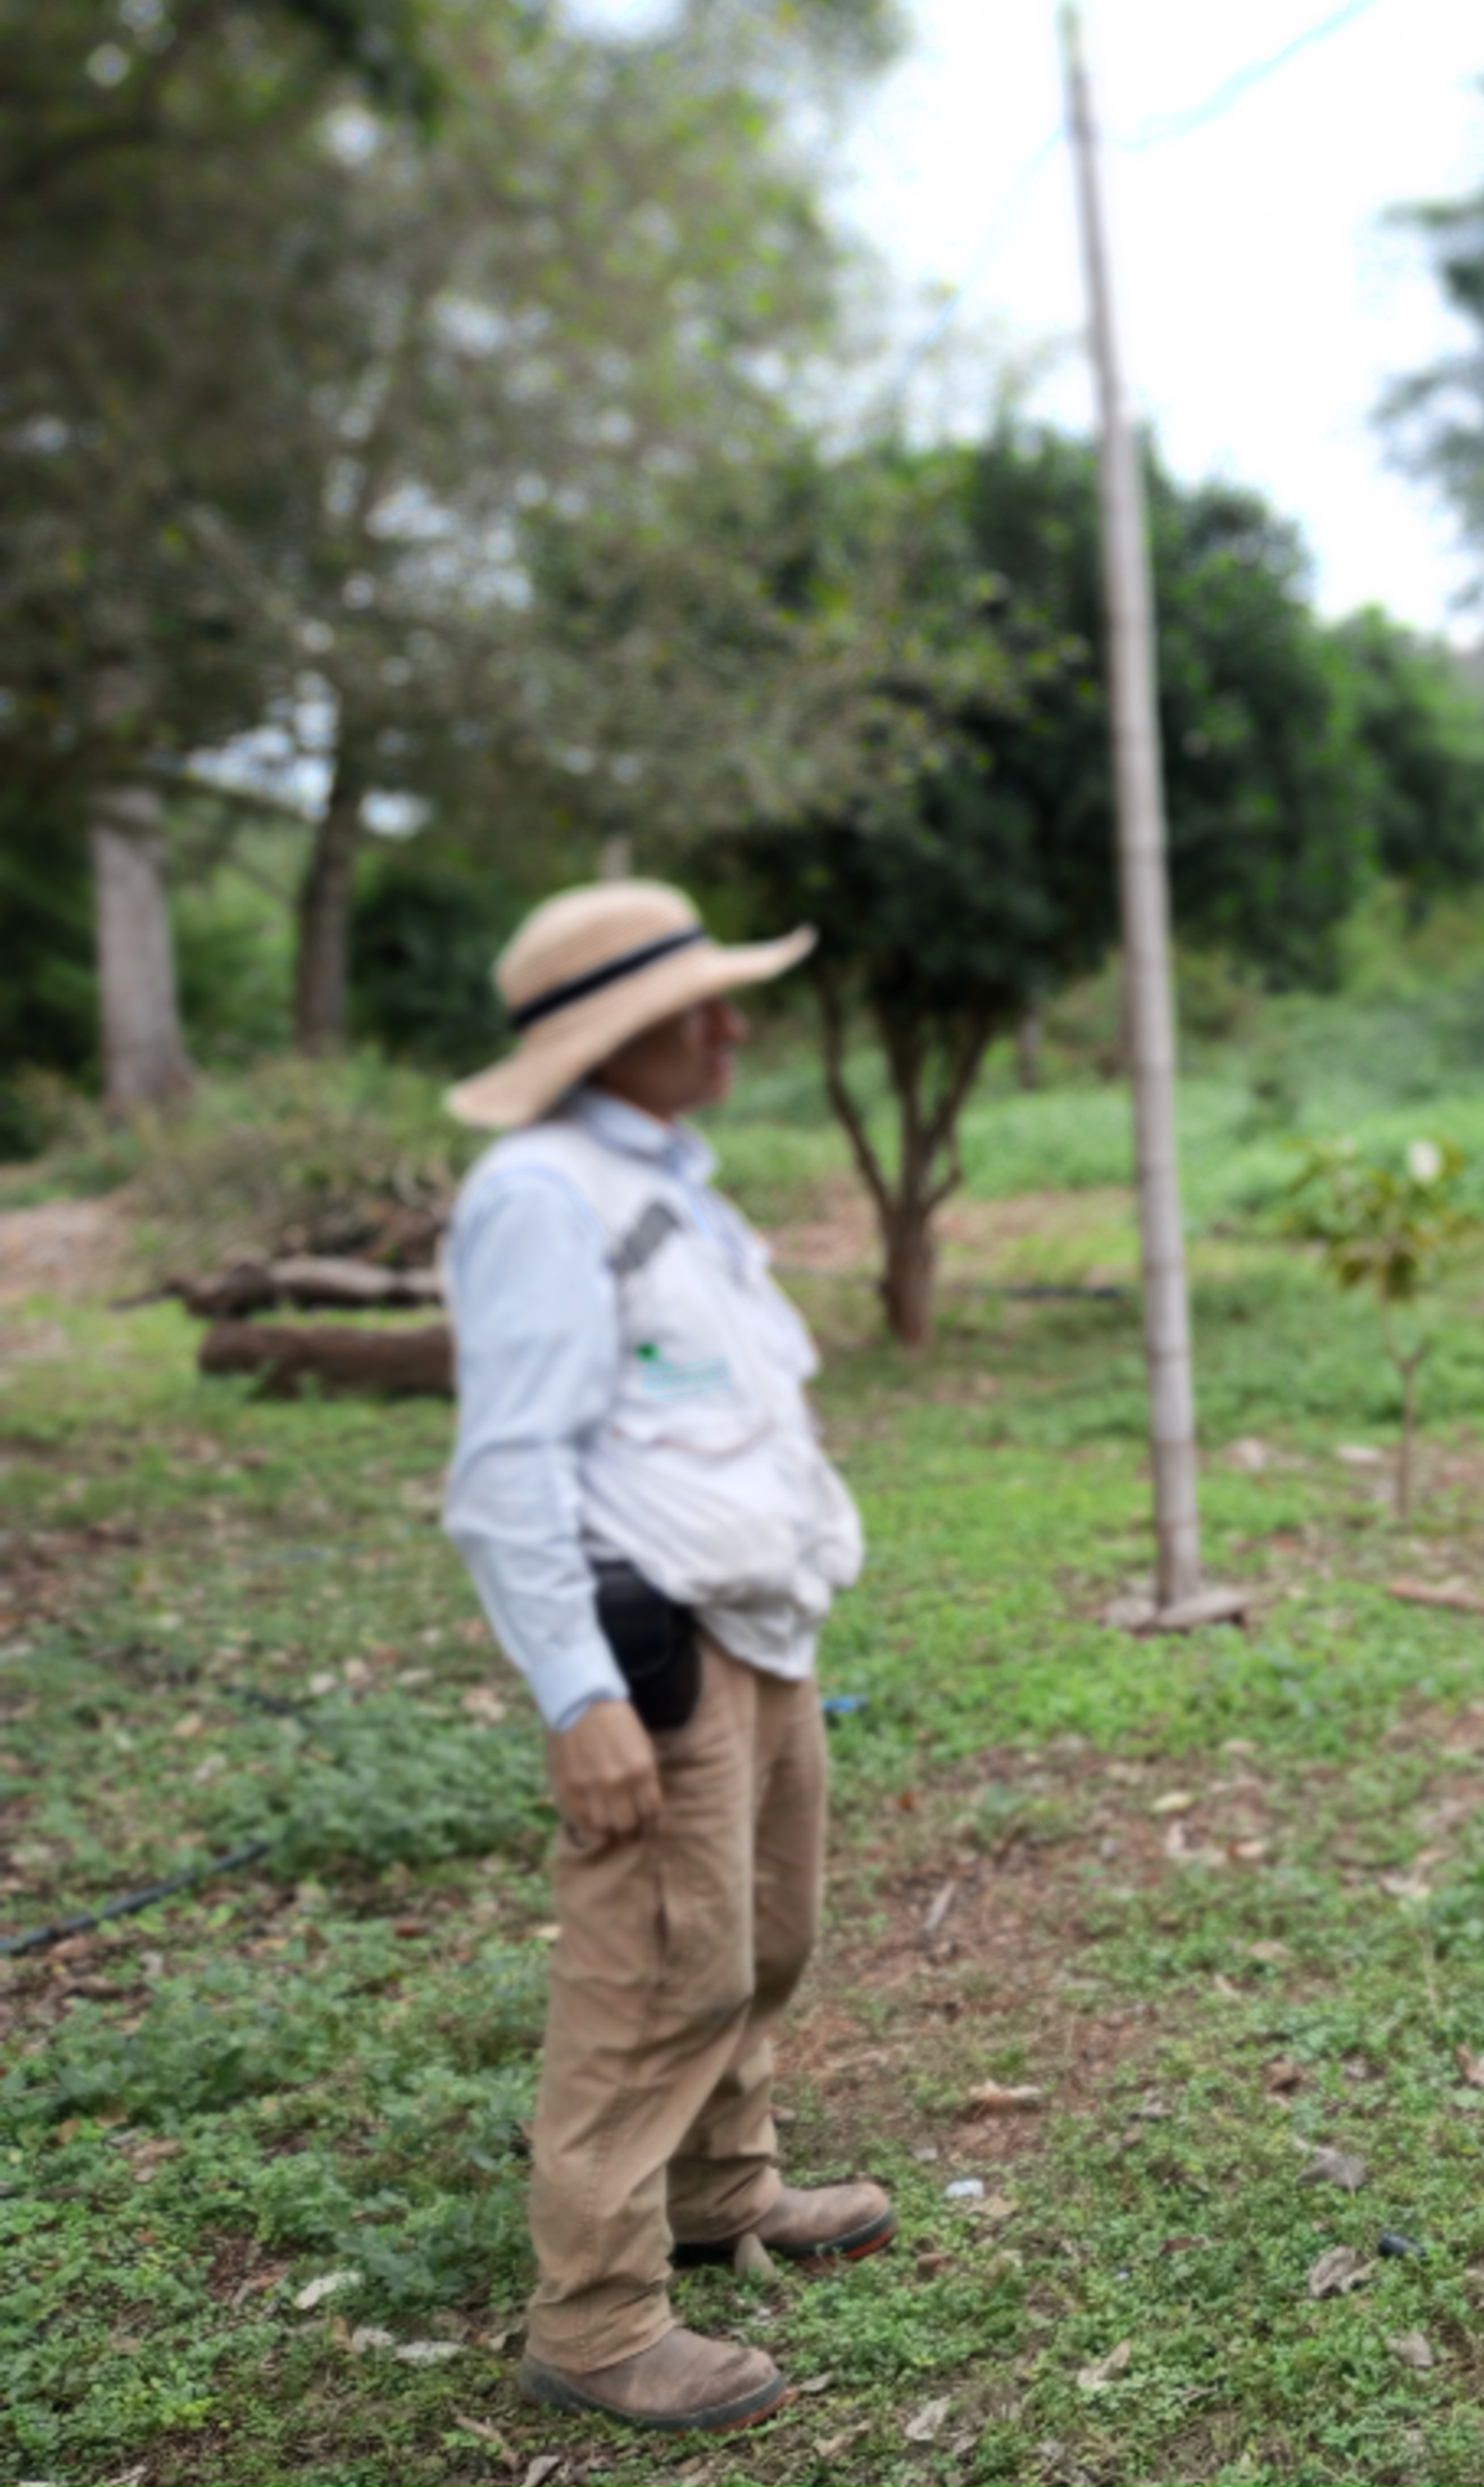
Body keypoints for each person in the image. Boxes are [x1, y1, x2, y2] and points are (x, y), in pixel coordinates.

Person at [440, 881, 889, 2431]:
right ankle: (597, 2322)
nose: (729, 1027)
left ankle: (721, 2189)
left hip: (756, 1619)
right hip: (653, 1642)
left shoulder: (669, 1184)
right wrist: (581, 1696)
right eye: (695, 1007)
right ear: (608, 1035)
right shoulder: (540, 1197)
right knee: (651, 1976)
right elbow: (508, 1475)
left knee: (765, 1933)